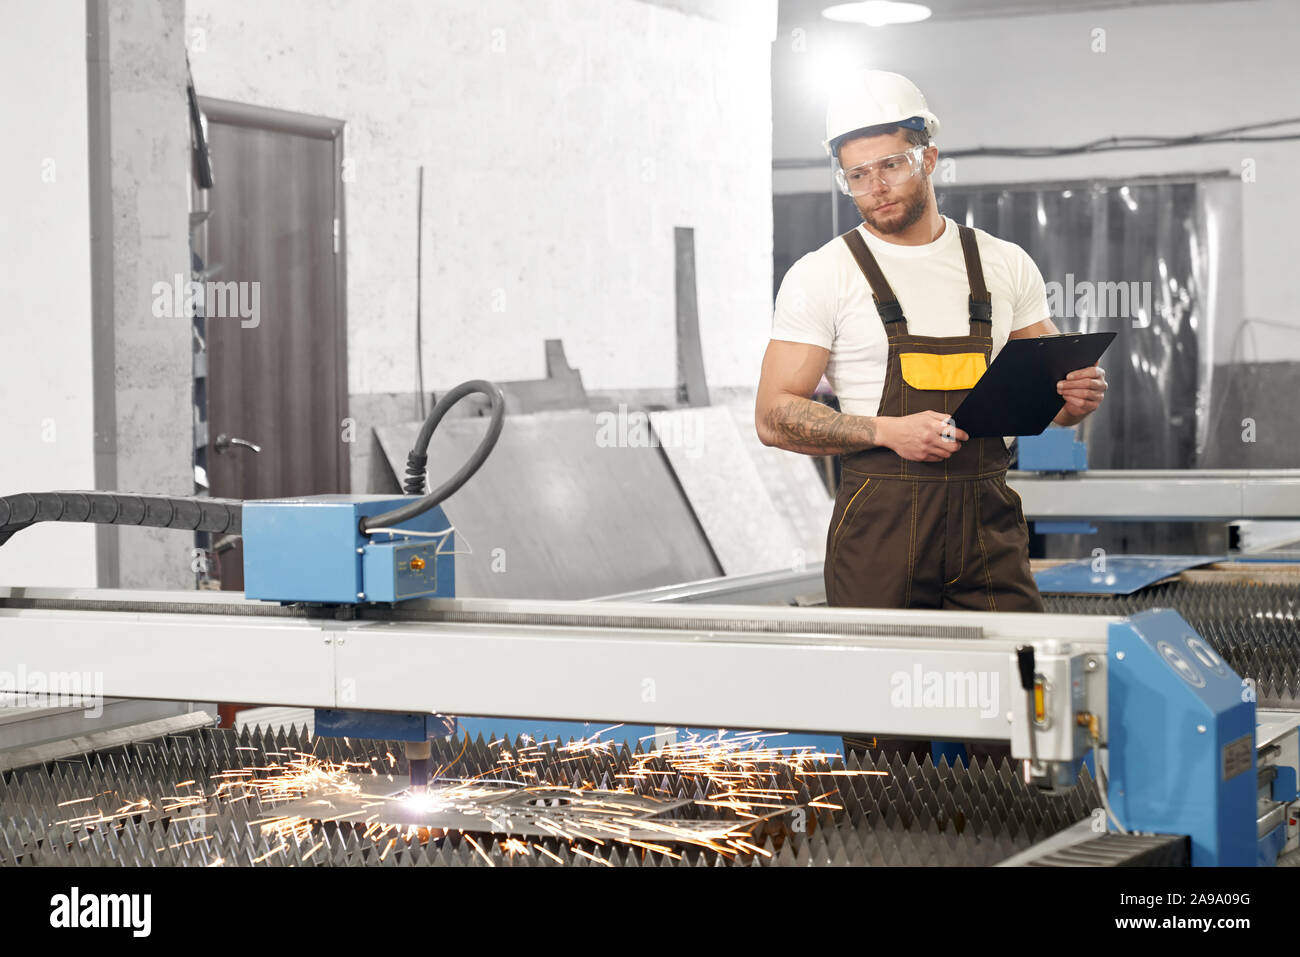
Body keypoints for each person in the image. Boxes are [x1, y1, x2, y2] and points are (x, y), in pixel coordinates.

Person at [755, 70, 1108, 760]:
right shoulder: (824, 274)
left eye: (890, 164)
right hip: (879, 529)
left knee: (1025, 720)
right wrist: (887, 431)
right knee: (884, 739)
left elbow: (1051, 399)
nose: (875, 187)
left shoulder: (1004, 266)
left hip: (987, 522)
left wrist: (1074, 403)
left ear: (929, 158)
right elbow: (773, 416)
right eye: (856, 175)